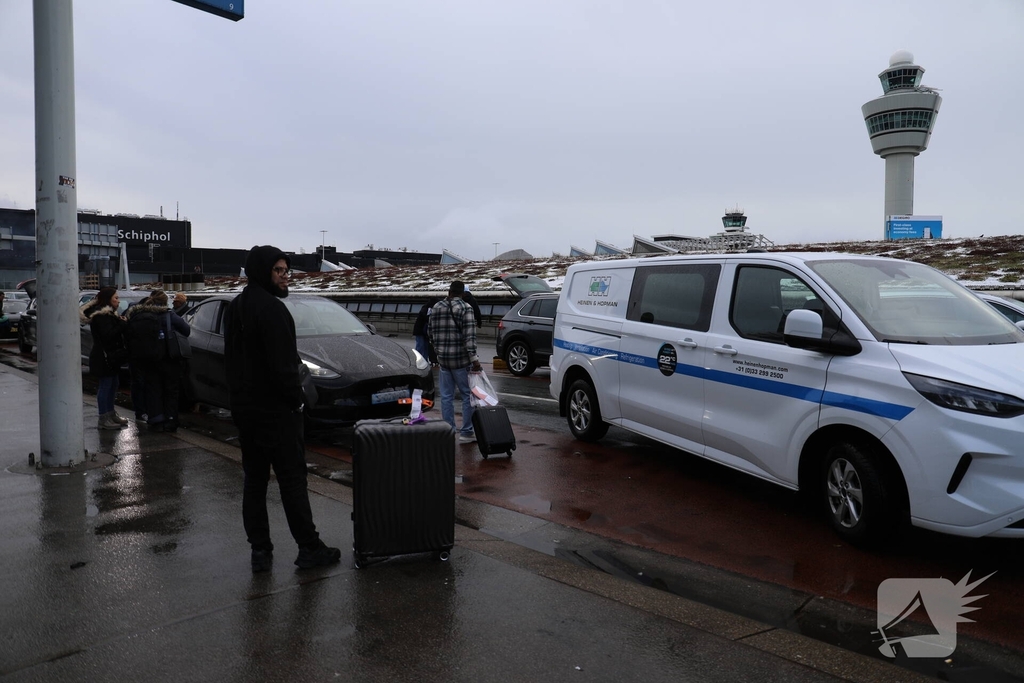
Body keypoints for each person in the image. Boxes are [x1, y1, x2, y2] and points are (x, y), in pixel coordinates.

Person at [224, 245, 341, 573]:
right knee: (292, 481)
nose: (285, 276)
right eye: (278, 270)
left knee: (255, 481)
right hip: (277, 414)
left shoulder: (236, 307)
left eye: (286, 270)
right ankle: (309, 547)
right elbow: (284, 367)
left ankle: (260, 551)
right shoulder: (273, 310)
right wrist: (297, 401)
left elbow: (232, 360)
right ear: (263, 272)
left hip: (247, 412)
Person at [126, 290, 190, 432]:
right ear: (165, 302)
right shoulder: (168, 315)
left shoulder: (139, 315)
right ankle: (170, 420)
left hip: (148, 359)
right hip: (168, 358)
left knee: (152, 389)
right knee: (170, 390)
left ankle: (156, 419)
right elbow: (186, 330)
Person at [428, 280, 482, 443]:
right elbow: (470, 337)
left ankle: (448, 430)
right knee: (467, 395)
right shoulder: (466, 308)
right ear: (463, 293)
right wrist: (475, 360)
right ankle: (466, 432)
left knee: (446, 396)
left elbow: (430, 333)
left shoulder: (436, 307)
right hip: (461, 360)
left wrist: (438, 351)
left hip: (444, 360)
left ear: (449, 292)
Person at [81, 287, 130, 430]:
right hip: (104, 356)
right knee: (106, 386)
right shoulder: (101, 316)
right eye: (116, 298)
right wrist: (122, 324)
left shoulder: (109, 315)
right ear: (108, 299)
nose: (118, 301)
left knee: (113, 384)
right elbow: (108, 335)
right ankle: (104, 417)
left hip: (111, 356)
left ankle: (111, 413)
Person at [412, 298, 440, 365]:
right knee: (421, 347)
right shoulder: (427, 309)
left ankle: (423, 362)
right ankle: (419, 361)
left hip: (423, 331)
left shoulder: (425, 308)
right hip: (421, 331)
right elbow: (427, 318)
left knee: (423, 347)